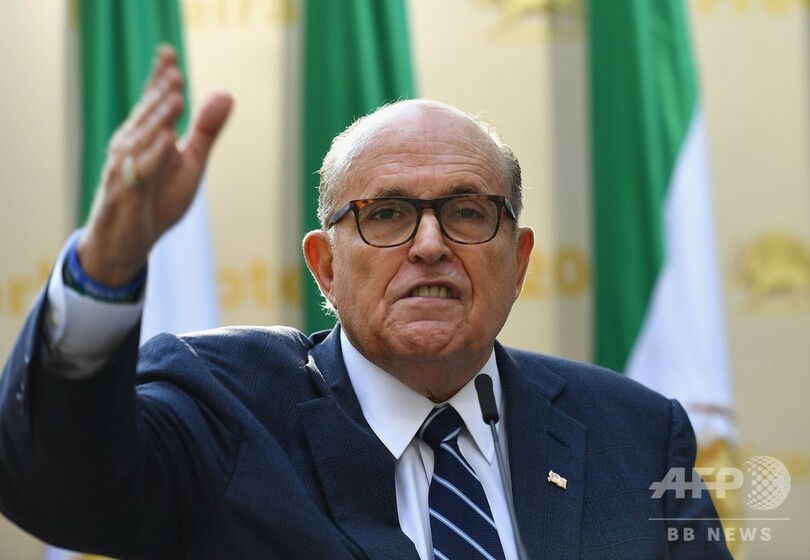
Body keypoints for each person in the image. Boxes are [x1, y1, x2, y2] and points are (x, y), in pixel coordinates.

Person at [0, 46, 731, 560]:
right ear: (324, 267)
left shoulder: (636, 435)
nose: (430, 245)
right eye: (385, 214)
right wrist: (105, 268)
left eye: (467, 212)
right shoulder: (224, 407)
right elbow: (58, 489)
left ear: (519, 261)